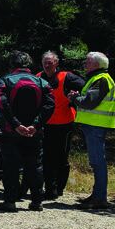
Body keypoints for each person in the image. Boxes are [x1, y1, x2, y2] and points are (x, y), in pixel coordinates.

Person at [0, 51, 54, 212]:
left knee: (11, 166)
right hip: (34, 132)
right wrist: (36, 125)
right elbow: (50, 106)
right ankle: (36, 201)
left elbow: (2, 104)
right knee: (35, 166)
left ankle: (10, 201)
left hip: (11, 132)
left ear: (12, 64)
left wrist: (16, 125)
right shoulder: (42, 83)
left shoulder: (5, 81)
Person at [69, 51, 115, 209]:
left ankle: (99, 197)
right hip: (94, 125)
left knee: (97, 162)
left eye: (88, 62)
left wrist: (74, 98)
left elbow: (90, 102)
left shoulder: (101, 79)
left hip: (96, 125)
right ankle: (97, 195)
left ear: (97, 65)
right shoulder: (98, 78)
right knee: (97, 161)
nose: (85, 64)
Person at [37, 51, 85, 200]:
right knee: (45, 157)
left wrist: (75, 98)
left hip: (64, 124)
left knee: (61, 157)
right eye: (45, 62)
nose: (47, 65)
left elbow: (85, 86)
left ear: (56, 63)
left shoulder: (67, 77)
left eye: (50, 62)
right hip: (45, 124)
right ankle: (49, 189)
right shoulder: (38, 77)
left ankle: (59, 188)